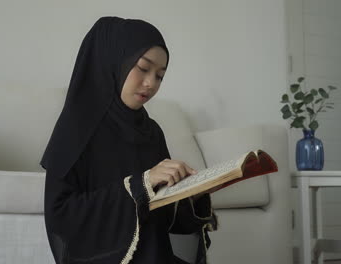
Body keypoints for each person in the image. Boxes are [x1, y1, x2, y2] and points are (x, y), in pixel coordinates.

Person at [41, 16, 218, 264]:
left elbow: (162, 216)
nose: (151, 84)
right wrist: (141, 183)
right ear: (115, 62)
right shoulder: (77, 130)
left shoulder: (151, 131)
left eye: (160, 76)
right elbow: (62, 215)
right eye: (143, 68)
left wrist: (191, 195)